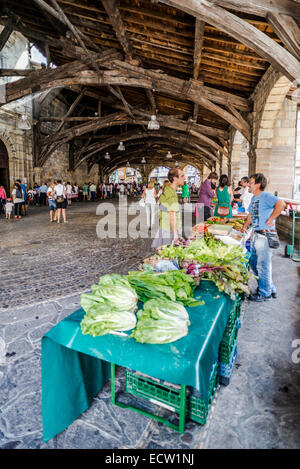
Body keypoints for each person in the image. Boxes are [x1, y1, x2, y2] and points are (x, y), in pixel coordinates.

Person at [242, 173, 286, 302]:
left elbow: (281, 203)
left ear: (258, 184)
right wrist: (245, 227)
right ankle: (269, 287)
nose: (248, 185)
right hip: (256, 234)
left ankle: (264, 293)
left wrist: (271, 219)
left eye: (250, 182)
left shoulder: (265, 196)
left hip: (265, 235)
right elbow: (250, 214)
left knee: (263, 265)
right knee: (254, 262)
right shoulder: (254, 198)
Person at [152, 167, 185, 248]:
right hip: (169, 231)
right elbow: (172, 216)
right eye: (182, 176)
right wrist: (175, 235)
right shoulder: (171, 194)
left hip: (164, 227)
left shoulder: (167, 189)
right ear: (175, 178)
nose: (185, 178)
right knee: (170, 256)